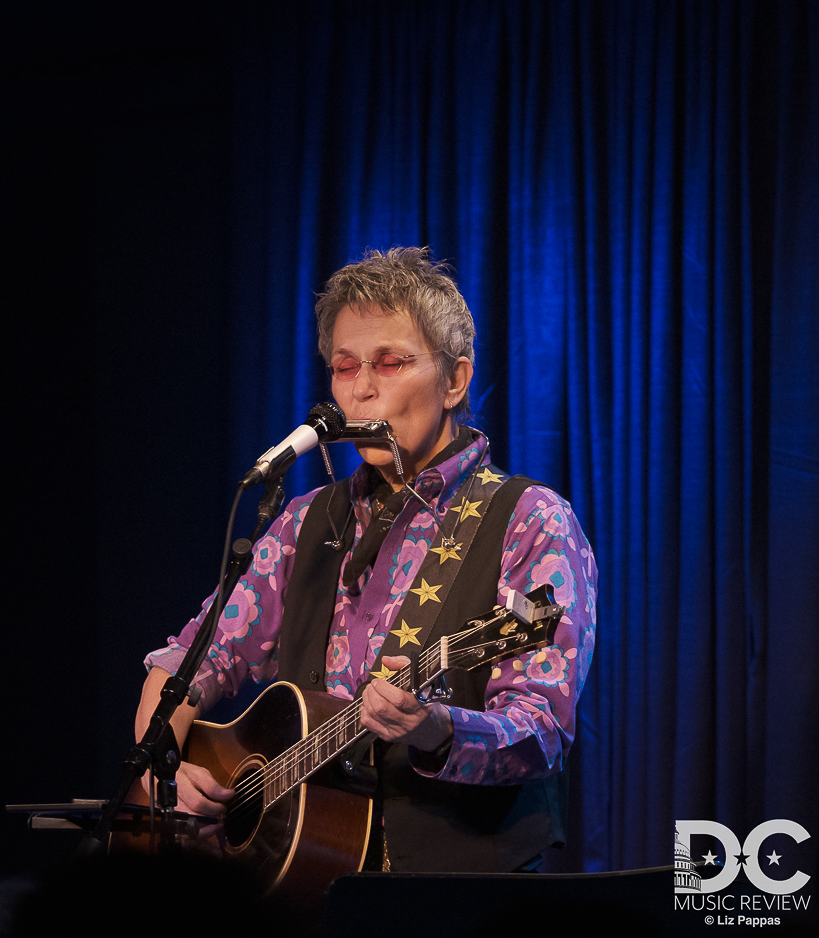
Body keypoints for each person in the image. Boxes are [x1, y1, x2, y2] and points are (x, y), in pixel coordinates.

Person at [136, 247, 597, 875]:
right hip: (302, 881)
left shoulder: (531, 520)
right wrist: (170, 774)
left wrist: (435, 728)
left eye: (391, 362)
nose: (363, 389)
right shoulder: (304, 523)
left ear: (455, 380)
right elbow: (187, 664)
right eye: (345, 367)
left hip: (454, 894)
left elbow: (542, 729)